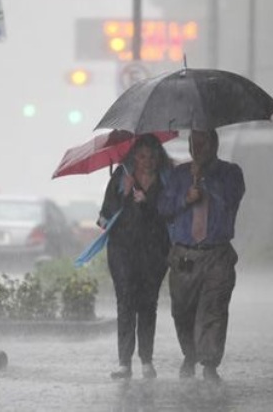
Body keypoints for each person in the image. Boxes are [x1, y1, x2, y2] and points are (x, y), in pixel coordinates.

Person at [157, 129, 245, 384]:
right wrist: (186, 198)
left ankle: (209, 363)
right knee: (182, 311)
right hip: (184, 254)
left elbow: (230, 199)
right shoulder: (178, 175)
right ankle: (190, 354)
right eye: (194, 143)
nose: (199, 148)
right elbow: (164, 208)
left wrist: (205, 180)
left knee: (213, 310)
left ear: (214, 144)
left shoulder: (230, 173)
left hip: (217, 254)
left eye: (204, 142)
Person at [98, 133, 172, 380]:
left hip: (154, 252)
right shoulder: (121, 177)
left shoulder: (167, 180)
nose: (147, 161)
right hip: (122, 250)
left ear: (158, 157)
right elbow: (104, 217)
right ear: (134, 157)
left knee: (148, 304)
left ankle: (147, 360)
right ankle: (124, 362)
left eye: (152, 156)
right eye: (141, 156)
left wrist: (148, 201)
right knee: (126, 302)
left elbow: (172, 212)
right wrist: (123, 194)